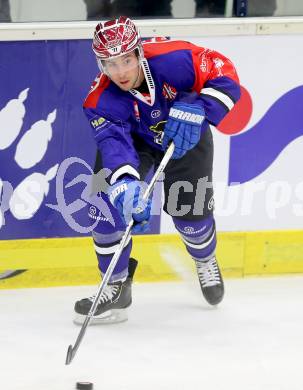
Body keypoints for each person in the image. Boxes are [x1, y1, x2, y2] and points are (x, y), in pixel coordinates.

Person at [74, 16, 241, 324]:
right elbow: (113, 145)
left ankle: (204, 258)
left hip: (186, 136)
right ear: (100, 65)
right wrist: (125, 186)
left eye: (126, 59)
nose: (120, 72)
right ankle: (116, 286)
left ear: (138, 51)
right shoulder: (99, 100)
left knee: (190, 217)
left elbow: (225, 72)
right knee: (105, 202)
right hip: (136, 143)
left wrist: (201, 108)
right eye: (110, 64)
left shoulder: (174, 57)